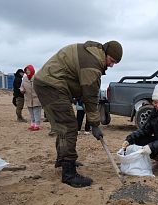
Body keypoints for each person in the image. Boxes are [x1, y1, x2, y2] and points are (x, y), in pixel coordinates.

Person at [33, 40, 123, 187]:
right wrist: (94, 125)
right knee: (68, 126)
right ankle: (68, 173)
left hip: (48, 83)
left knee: (65, 125)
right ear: (105, 53)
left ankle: (63, 161)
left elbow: (79, 83)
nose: (111, 65)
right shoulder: (93, 64)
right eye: (111, 60)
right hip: (51, 85)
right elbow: (91, 97)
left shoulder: (92, 53)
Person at [20, 65, 42, 131]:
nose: (27, 72)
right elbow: (22, 86)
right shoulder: (24, 78)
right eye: (26, 71)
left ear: (32, 70)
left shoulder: (37, 78)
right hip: (28, 98)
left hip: (36, 98)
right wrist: (22, 90)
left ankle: (37, 125)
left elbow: (41, 87)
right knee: (31, 112)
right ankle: (32, 124)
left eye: (29, 70)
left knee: (36, 112)